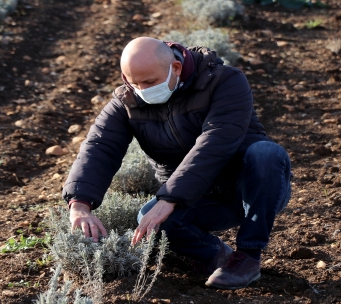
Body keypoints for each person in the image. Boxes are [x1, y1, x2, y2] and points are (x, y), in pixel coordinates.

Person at [63, 37, 292, 290]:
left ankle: (248, 256)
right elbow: (100, 147)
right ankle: (218, 256)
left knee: (266, 153)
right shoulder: (127, 101)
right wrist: (80, 203)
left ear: (176, 68)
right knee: (151, 221)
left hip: (251, 189)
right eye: (134, 82)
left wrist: (169, 198)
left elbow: (215, 142)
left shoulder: (224, 81)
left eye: (150, 82)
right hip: (198, 198)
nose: (142, 89)